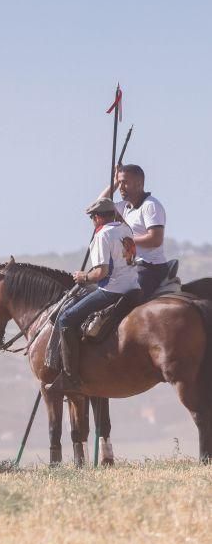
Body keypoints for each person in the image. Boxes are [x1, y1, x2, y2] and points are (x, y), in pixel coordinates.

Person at [46, 198, 139, 394]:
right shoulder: (126, 229)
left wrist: (83, 277)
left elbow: (101, 273)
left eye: (92, 219)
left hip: (112, 291)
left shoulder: (102, 235)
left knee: (65, 319)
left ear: (97, 218)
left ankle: (70, 378)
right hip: (135, 289)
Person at [98, 164, 168, 298]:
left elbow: (155, 240)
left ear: (139, 184)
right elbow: (99, 207)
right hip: (130, 267)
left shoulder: (150, 206)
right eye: (120, 183)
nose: (121, 188)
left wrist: (125, 240)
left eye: (125, 183)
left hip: (149, 267)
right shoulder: (125, 207)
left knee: (125, 300)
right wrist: (114, 183)